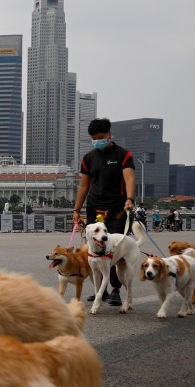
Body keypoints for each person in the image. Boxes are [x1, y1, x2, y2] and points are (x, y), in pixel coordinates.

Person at [72, 118, 136, 306]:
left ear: (109, 134)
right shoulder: (88, 158)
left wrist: (130, 199)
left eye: (100, 137)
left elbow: (130, 179)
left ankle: (116, 289)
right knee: (95, 250)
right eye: (93, 138)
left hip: (117, 208)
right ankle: (101, 290)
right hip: (94, 208)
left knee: (115, 249)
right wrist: (76, 209)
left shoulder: (123, 155)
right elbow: (84, 185)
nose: (97, 140)